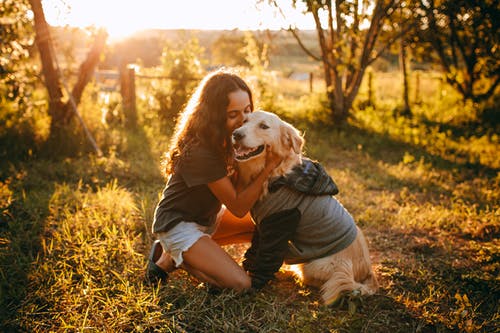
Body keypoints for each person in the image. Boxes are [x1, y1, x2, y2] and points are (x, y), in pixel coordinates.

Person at [146, 68, 282, 291]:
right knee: (241, 284)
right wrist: (268, 168)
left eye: (247, 111)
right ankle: (173, 256)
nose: (243, 120)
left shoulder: (230, 139)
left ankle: (170, 256)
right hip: (177, 224)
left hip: (207, 219)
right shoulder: (201, 151)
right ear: (215, 114)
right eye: (233, 114)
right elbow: (238, 206)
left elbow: (239, 187)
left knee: (267, 223)